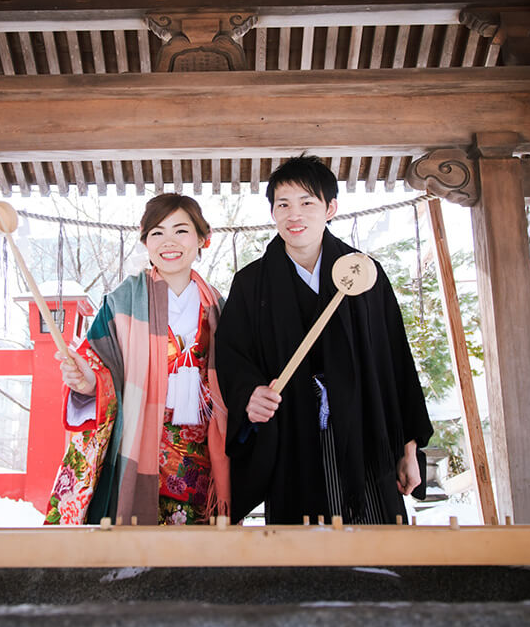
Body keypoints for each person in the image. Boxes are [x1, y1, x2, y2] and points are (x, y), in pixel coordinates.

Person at [215, 155, 433, 524]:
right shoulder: (251, 283)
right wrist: (249, 394)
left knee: (377, 545)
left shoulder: (364, 273)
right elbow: (232, 356)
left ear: (330, 208)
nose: (293, 214)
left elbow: (395, 361)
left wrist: (409, 448)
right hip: (292, 436)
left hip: (365, 428)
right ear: (272, 212)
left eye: (306, 203)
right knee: (301, 556)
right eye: (283, 204)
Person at [44, 193, 230, 525]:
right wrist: (88, 380)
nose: (168, 242)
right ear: (145, 241)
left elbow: (238, 376)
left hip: (201, 450)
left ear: (203, 238)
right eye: (157, 232)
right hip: (142, 438)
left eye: (181, 231)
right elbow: (100, 363)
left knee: (196, 555)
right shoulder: (123, 301)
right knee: (137, 545)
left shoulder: (221, 307)